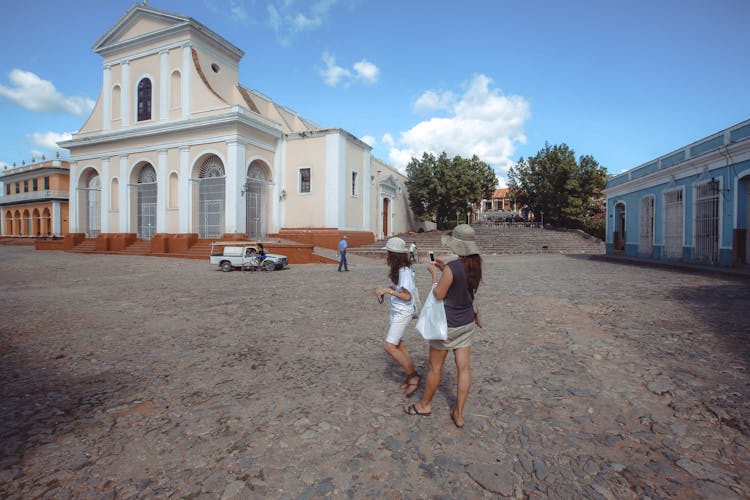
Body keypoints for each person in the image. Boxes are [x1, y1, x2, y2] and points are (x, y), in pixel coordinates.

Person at [404, 224, 482, 428]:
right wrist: (443, 269)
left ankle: (425, 405)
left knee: (435, 367)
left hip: (447, 325)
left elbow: (439, 294)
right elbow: (465, 286)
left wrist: (435, 275)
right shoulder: (475, 264)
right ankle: (459, 413)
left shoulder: (453, 268)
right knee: (464, 368)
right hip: (466, 322)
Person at [374, 237, 420, 396]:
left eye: (388, 252)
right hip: (397, 310)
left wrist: (388, 291)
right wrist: (385, 288)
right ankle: (412, 374)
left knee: (389, 346)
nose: (386, 255)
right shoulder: (399, 269)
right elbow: (398, 288)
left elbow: (407, 296)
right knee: (399, 345)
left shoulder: (404, 271)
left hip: (403, 312)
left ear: (393, 254)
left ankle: (413, 377)